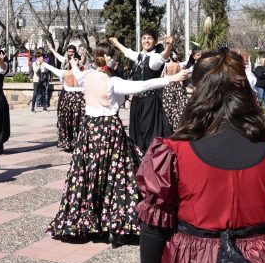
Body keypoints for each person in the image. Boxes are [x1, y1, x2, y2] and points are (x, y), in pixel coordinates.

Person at [137, 48, 265, 263]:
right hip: (262, 262)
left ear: (197, 90)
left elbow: (154, 228)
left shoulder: (173, 152)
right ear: (245, 91)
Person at [46, 42, 189, 247]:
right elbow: (143, 85)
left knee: (88, 174)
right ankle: (116, 226)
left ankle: (84, 222)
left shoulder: (86, 77)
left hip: (89, 131)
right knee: (117, 175)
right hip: (110, 131)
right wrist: (172, 79)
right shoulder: (113, 81)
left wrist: (72, 62)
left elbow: (77, 72)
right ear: (111, 59)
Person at [109, 31, 173, 151]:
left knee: (150, 133)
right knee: (136, 133)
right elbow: (128, 52)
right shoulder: (139, 56)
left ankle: (152, 161)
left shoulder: (154, 58)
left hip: (150, 101)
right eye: (144, 38)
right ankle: (138, 161)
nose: (146, 41)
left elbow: (162, 57)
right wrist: (116, 43)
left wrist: (168, 46)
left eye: (149, 38)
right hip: (137, 100)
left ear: (154, 41)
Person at [42, 46, 85, 152]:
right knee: (79, 121)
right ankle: (79, 142)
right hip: (80, 99)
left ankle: (68, 142)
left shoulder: (64, 73)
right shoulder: (83, 74)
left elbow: (51, 68)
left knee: (67, 121)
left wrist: (42, 62)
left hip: (68, 98)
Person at [160, 54, 189, 129]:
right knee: (179, 106)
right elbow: (182, 78)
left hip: (168, 86)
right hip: (177, 86)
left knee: (169, 106)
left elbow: (162, 76)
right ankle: (178, 125)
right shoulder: (179, 65)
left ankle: (169, 124)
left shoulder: (166, 64)